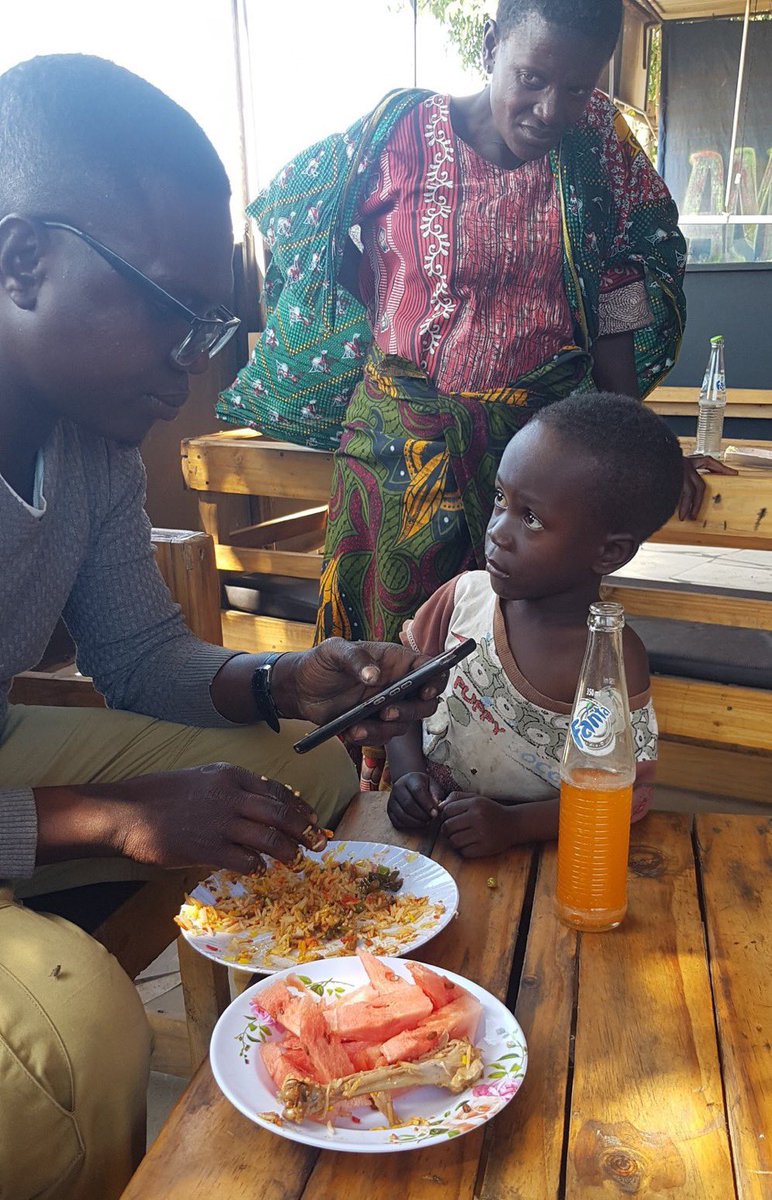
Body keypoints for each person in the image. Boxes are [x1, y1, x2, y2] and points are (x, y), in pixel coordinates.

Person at [0, 55, 448, 1200]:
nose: (199, 363)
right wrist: (103, 817)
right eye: (174, 313)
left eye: (212, 323)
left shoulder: (89, 445)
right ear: (23, 260)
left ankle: (291, 1069)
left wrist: (289, 684)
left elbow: (140, 654)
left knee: (282, 778)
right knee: (75, 1020)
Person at [224, 0, 732, 786]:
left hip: (538, 467)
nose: (552, 109)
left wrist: (635, 434)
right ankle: (375, 823)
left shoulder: (600, 147)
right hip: (399, 453)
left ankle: (506, 805)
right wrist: (371, 323)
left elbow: (620, 289)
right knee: (382, 653)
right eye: (531, 78)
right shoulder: (396, 134)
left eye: (578, 88)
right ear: (492, 46)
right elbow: (304, 226)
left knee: (517, 643)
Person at [386, 392, 684, 856]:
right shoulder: (463, 597)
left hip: (540, 868)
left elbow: (621, 795)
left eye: (531, 518)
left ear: (609, 553)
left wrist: (514, 825)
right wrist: (407, 775)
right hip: (425, 846)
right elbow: (399, 697)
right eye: (501, 498)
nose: (498, 531)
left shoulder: (609, 657)